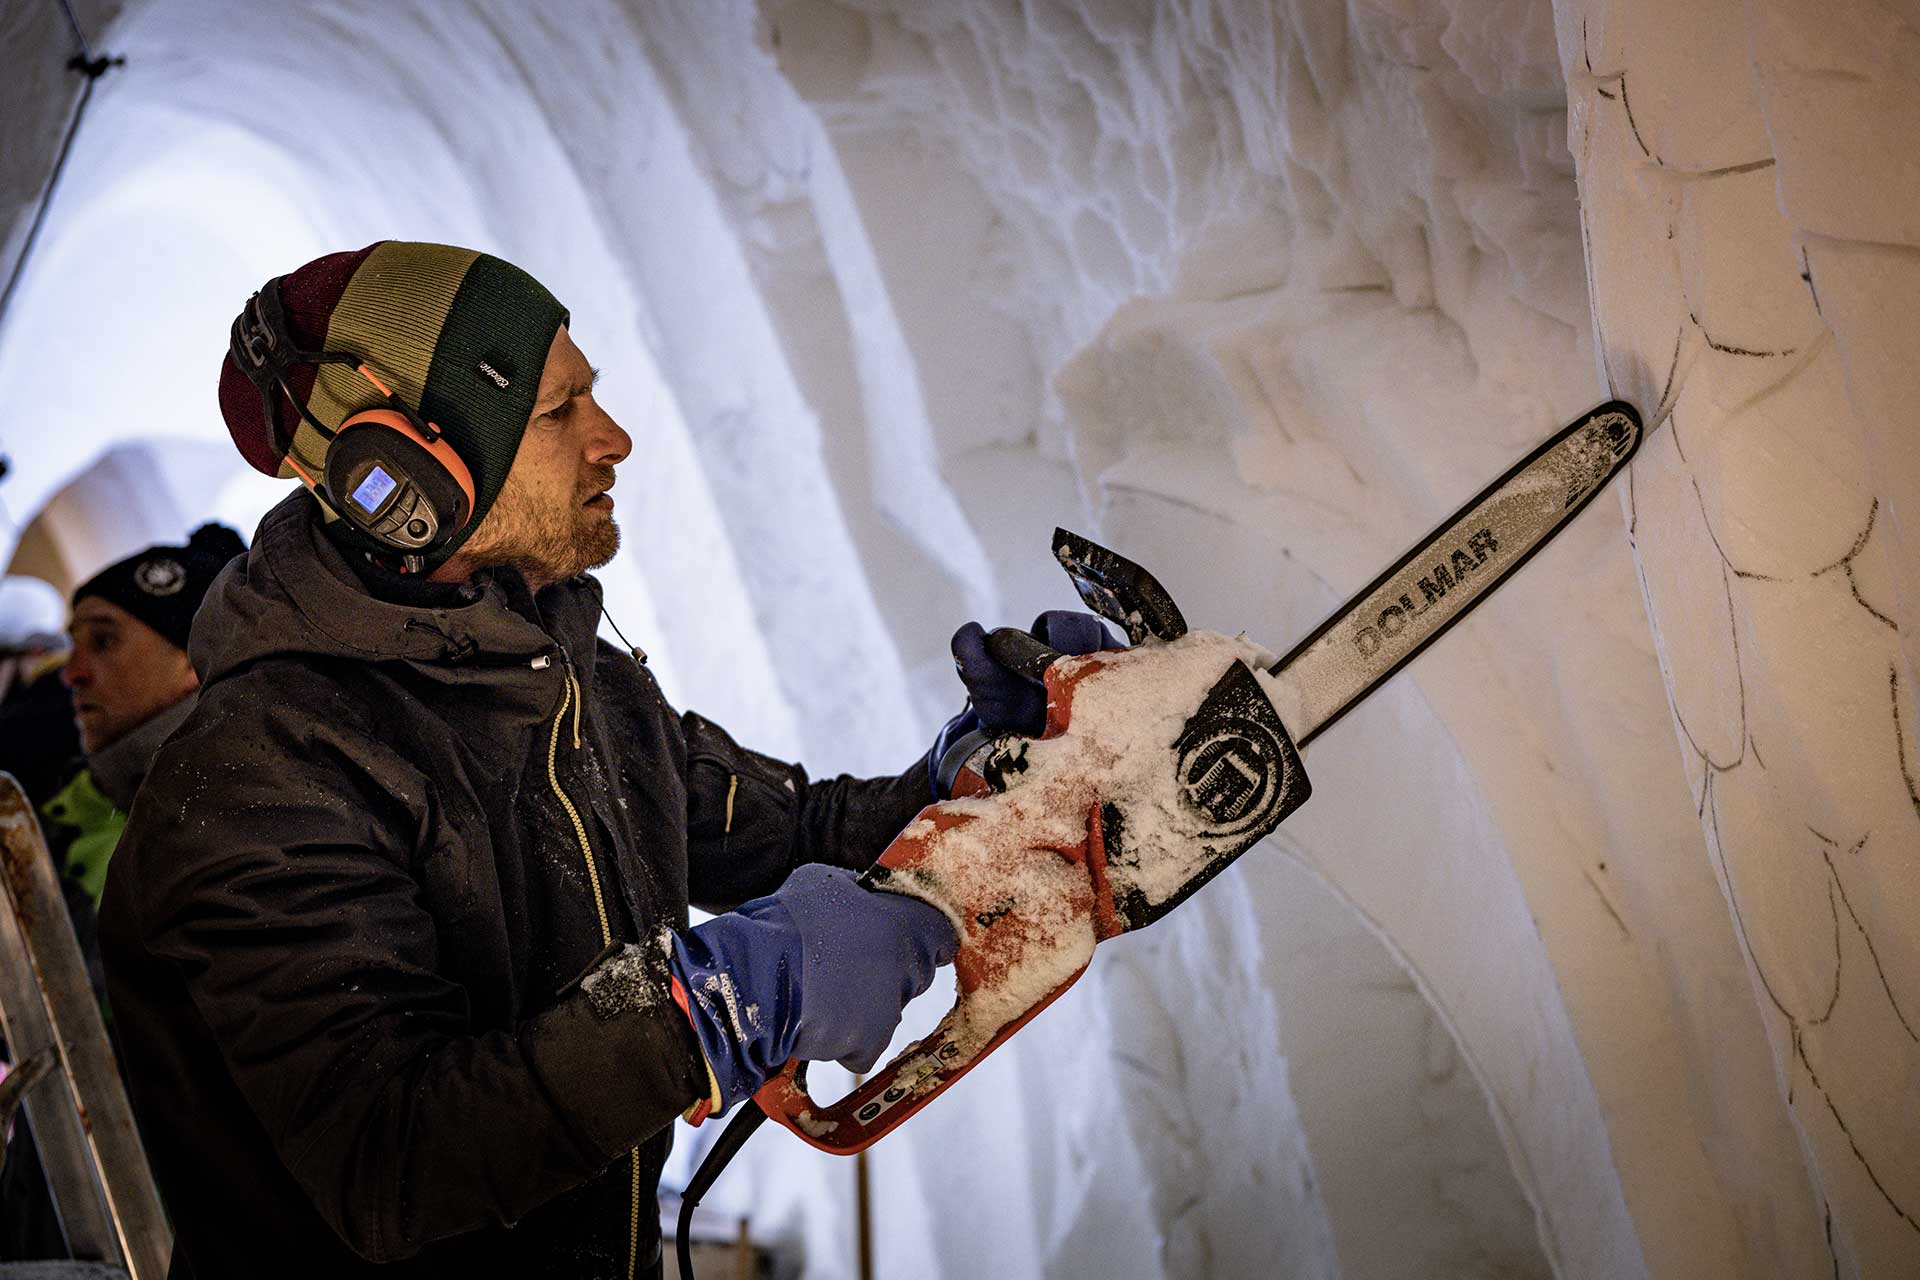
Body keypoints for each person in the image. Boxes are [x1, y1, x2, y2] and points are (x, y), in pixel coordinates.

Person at [99, 242, 1106, 1280]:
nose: (613, 439)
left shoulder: (568, 677)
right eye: (556, 412)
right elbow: (395, 1158)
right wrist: (707, 1009)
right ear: (402, 476)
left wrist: (966, 769)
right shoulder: (265, 772)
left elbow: (784, 831)